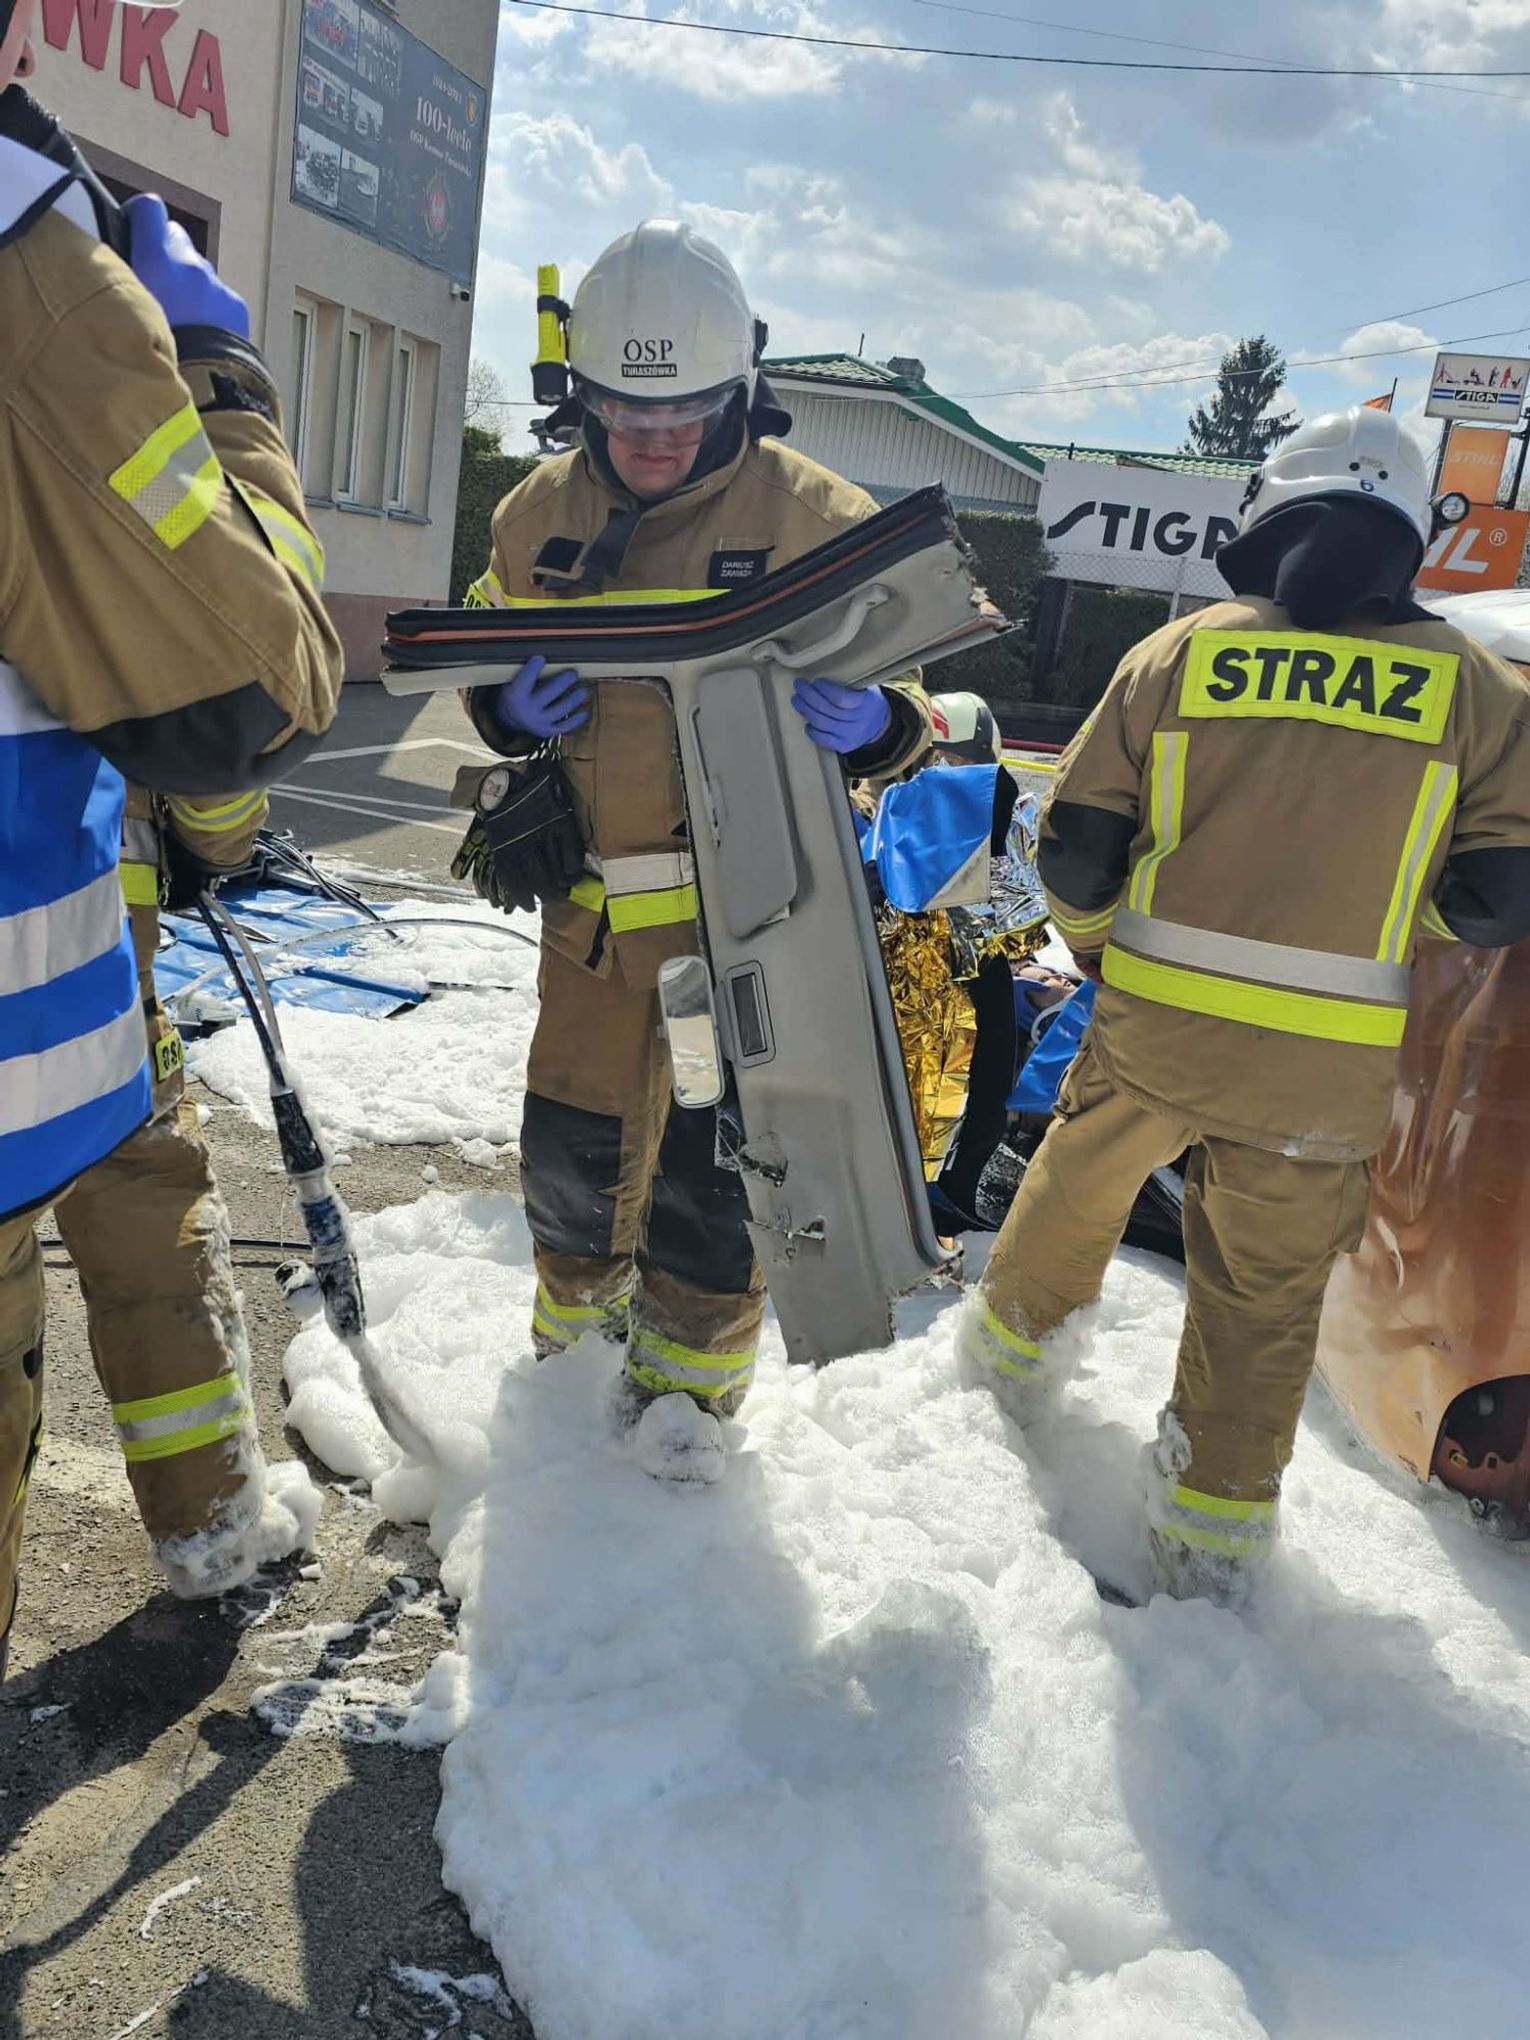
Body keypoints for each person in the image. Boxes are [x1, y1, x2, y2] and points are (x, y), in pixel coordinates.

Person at [959, 406, 1530, 1603]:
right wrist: (1378, 936)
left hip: (1152, 1030)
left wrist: (1103, 953)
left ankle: (990, 1402)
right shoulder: (1481, 690)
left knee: (1070, 1202)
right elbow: (1494, 897)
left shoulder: (1179, 653)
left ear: (1271, 514)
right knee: (1261, 1310)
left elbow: (1075, 850)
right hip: (1326, 1069)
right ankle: (1208, 1558)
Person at [454, 220, 932, 1482]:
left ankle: (687, 1416)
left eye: (685, 412)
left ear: (740, 388)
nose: (654, 439)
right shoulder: (536, 516)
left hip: (749, 939)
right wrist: (504, 705)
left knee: (716, 1188)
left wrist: (882, 723)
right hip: (594, 935)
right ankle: (567, 1384)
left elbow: (917, 698)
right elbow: (480, 650)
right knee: (572, 1162)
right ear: (584, 393)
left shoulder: (818, 518)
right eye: (625, 412)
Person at [1, 0, 344, 1676]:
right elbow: (240, 694)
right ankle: (209, 1521)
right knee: (144, 1194)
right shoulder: (36, 275)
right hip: (59, 974)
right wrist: (221, 382)